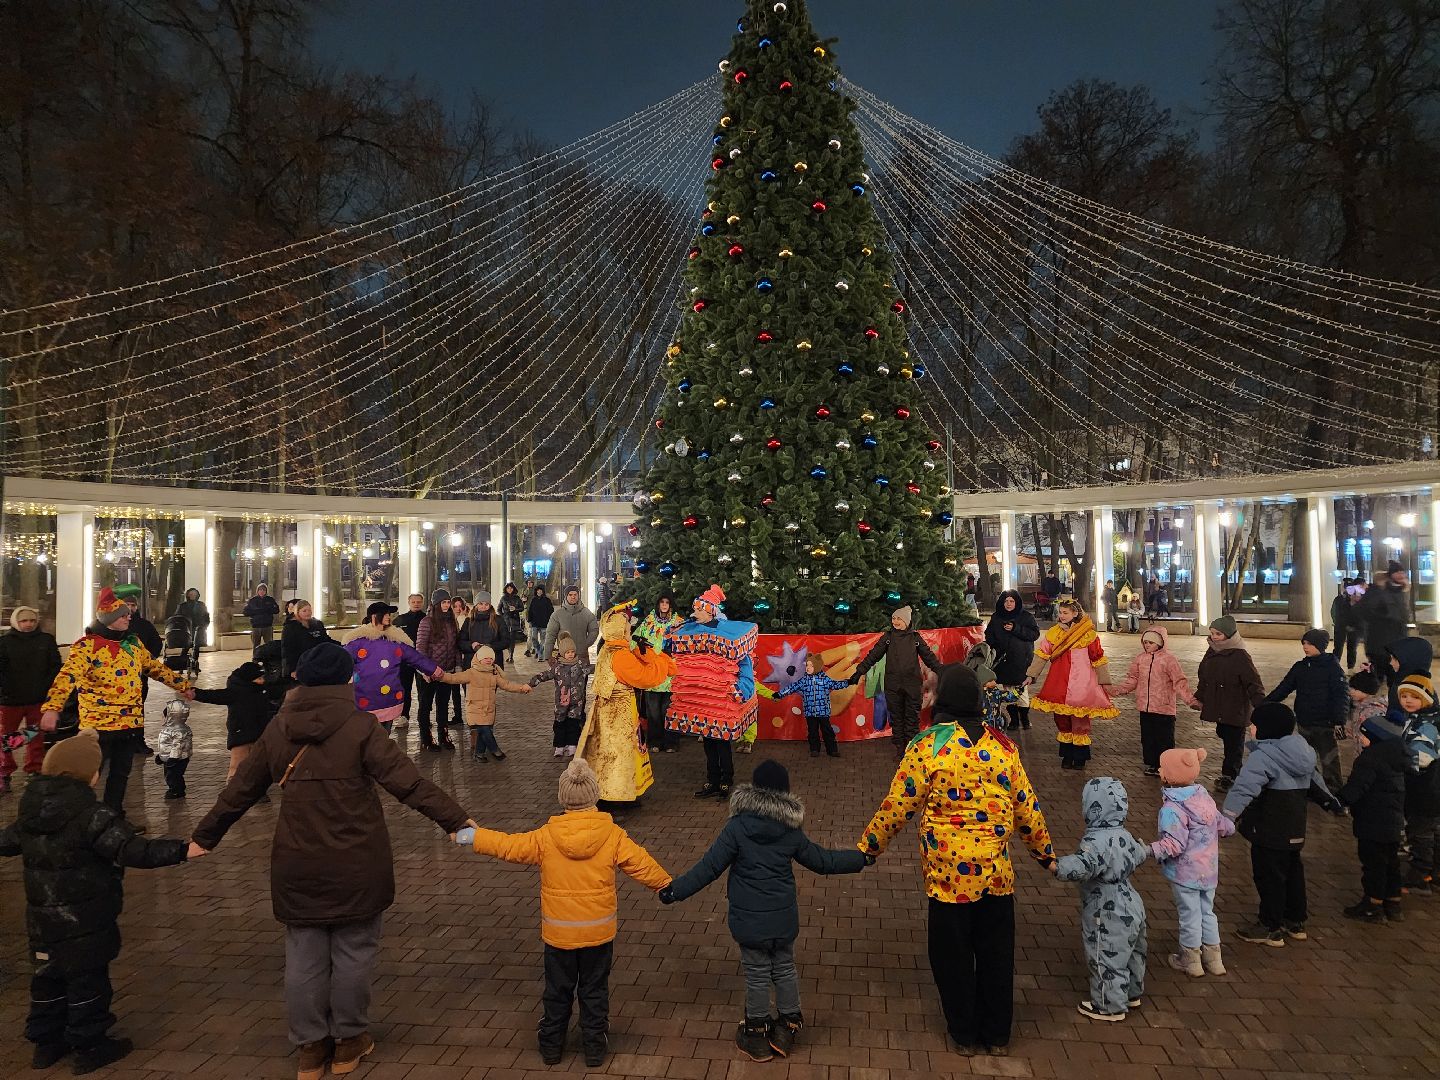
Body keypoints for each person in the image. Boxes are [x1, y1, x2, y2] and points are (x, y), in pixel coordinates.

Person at [191, 644, 474, 1080]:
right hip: (357, 860)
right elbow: (409, 784)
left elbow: (241, 789)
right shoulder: (360, 726)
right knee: (354, 953)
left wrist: (203, 837)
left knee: (303, 957)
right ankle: (348, 1042)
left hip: (297, 862)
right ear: (347, 680)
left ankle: (309, 1050)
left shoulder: (277, 727)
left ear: (300, 679)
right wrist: (456, 821)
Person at [858, 664, 1054, 1056]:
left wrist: (870, 846)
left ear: (942, 698)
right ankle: (998, 1033)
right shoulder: (1004, 747)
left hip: (948, 880)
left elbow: (900, 804)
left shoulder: (928, 745)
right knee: (997, 955)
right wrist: (1044, 854)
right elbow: (1027, 807)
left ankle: (964, 1032)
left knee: (952, 956)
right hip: (997, 877)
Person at [454, 757, 670, 1069]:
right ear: (595, 796)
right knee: (594, 991)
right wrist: (667, 886)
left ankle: (551, 1045)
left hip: (559, 935)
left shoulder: (545, 837)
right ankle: (595, 1047)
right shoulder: (613, 835)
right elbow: (642, 864)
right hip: (598, 934)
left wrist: (470, 836)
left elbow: (508, 846)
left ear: (563, 798)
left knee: (558, 990)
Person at [0, 729, 195, 1073]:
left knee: (46, 977)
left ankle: (46, 1043)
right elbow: (133, 850)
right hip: (85, 921)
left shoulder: (30, 812)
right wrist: (181, 850)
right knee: (87, 981)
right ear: (89, 774)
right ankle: (90, 1044)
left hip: (42, 923)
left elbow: (6, 841)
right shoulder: (92, 814)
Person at [661, 760, 868, 1061]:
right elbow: (824, 861)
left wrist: (674, 891)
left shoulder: (737, 828)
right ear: (784, 794)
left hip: (749, 919)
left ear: (754, 791)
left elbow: (708, 868)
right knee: (784, 967)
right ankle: (788, 1026)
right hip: (783, 916)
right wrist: (861, 859)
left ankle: (756, 1034)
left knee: (757, 973)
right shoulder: (790, 831)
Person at [40, 588, 192, 813]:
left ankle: (113, 817)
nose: (128, 617)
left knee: (121, 774)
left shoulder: (133, 644)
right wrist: (53, 707)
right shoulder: (87, 646)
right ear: (109, 619)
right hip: (98, 726)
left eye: (127, 614)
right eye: (122, 615)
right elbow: (67, 676)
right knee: (88, 775)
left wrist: (183, 686)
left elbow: (155, 668)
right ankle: (77, 819)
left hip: (129, 723)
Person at [1222, 702, 1343, 947]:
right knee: (1293, 873)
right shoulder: (1303, 752)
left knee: (1269, 877)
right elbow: (1315, 781)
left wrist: (1226, 816)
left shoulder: (1263, 756)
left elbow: (1244, 789)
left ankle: (1270, 926)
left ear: (1266, 729)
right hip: (1294, 829)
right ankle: (1295, 921)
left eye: (1253, 725)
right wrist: (1331, 803)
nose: (1250, 729)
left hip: (1267, 829)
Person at [1053, 777, 1149, 1023]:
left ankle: (1109, 1004)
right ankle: (1131, 992)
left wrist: (1058, 866)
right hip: (1132, 900)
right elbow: (1139, 853)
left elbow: (1085, 865)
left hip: (1106, 907)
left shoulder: (1095, 841)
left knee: (1105, 953)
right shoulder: (1124, 835)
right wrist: (1150, 849)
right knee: (1133, 951)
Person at [665, 585, 758, 800]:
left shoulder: (728, 635)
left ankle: (726, 780)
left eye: (698, 610)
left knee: (722, 743)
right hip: (703, 702)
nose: (693, 614)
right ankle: (712, 779)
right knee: (708, 741)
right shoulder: (689, 631)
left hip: (722, 702)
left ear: (710, 612)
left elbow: (745, 665)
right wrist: (671, 633)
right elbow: (668, 648)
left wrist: (741, 690)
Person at [577, 601, 676, 801]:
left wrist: (644, 653)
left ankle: (605, 791)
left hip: (606, 710)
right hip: (618, 714)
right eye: (627, 628)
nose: (629, 631)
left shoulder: (608, 649)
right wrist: (663, 662)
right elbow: (644, 677)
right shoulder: (621, 655)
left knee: (603, 752)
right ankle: (616, 795)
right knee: (619, 755)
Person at [1149, 748, 1234, 978]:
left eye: (1162, 768)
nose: (1159, 771)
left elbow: (1173, 844)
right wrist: (1230, 827)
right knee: (1207, 912)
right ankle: (1214, 960)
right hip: (1209, 871)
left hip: (1185, 873)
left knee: (1189, 915)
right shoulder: (1204, 798)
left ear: (1168, 776)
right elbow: (1221, 824)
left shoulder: (1172, 808)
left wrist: (1150, 850)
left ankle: (1190, 960)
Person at [1027, 599, 1117, 770]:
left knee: (1080, 719)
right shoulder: (1054, 633)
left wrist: (1105, 682)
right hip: (1059, 681)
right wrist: (1031, 675)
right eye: (1060, 612)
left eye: (1065, 613)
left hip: (1082, 683)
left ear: (1075, 613)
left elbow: (1098, 657)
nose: (1061, 616)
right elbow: (1042, 654)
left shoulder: (1088, 634)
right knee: (1061, 718)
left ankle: (1080, 757)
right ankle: (1067, 755)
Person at [1336, 712, 1408, 923]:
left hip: (1372, 821)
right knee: (1391, 862)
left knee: (1373, 864)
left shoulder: (1369, 759)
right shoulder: (1398, 757)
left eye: (1363, 735)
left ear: (1375, 738)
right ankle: (1393, 904)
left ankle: (1372, 905)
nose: (1360, 738)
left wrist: (1339, 801)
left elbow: (1357, 787)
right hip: (1393, 821)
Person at [1263, 628, 1349, 792]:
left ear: (1320, 646)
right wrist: (1266, 703)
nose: (1305, 647)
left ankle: (1334, 790)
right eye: (1304, 643)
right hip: (1304, 721)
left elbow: (1341, 695)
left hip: (1325, 723)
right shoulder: (1300, 667)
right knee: (1304, 758)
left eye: (1309, 644)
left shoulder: (1332, 668)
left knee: (1329, 759)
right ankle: (1312, 787)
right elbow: (1285, 687)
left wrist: (1339, 720)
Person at [850, 604, 943, 751]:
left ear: (906, 621)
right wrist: (859, 671)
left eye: (899, 618)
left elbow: (929, 657)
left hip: (912, 685)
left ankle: (911, 750)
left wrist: (942, 671)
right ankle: (900, 748)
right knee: (897, 718)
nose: (895, 621)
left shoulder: (915, 638)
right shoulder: (888, 638)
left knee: (912, 719)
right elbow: (873, 656)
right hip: (893, 685)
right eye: (893, 618)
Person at [1111, 626, 1200, 776]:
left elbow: (1179, 681)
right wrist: (1118, 690)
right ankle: (1152, 764)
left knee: (1164, 739)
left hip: (1164, 708)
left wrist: (1190, 700)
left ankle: (1166, 765)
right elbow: (1133, 679)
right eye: (1145, 642)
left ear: (1160, 643)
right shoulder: (1140, 659)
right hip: (1145, 708)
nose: (1147, 645)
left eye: (1150, 642)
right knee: (1148, 738)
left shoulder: (1169, 660)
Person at [343, 602, 445, 730]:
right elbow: (341, 660)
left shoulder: (395, 641)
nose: (388, 617)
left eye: (389, 614)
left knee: (384, 736)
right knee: (366, 735)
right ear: (374, 616)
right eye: (385, 614)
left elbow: (415, 657)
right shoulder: (357, 642)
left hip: (388, 697)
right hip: (365, 697)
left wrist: (434, 670)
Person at [1195, 616, 1266, 790]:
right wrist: (1200, 696)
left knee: (1234, 742)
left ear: (1229, 634)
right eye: (1212, 633)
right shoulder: (1212, 651)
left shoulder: (1240, 655)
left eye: (1218, 634)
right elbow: (1203, 676)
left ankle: (1231, 775)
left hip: (1236, 707)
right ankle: (1232, 772)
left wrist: (1262, 706)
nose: (1214, 637)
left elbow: (1253, 682)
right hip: (1220, 704)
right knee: (1224, 734)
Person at [0, 605, 61, 793]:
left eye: (32, 620)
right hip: (10, 700)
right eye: (24, 620)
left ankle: (34, 769)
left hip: (38, 698)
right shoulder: (4, 643)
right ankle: (5, 771)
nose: (28, 624)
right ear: (16, 622)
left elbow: (55, 666)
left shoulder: (46, 640)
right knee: (5, 738)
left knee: (36, 736)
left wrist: (46, 689)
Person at [193, 660, 284, 781]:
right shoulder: (235, 692)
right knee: (237, 766)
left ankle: (257, 791)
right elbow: (213, 696)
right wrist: (195, 693)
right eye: (259, 678)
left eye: (262, 677)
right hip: (240, 735)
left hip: (260, 733)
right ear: (249, 679)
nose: (262, 681)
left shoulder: (262, 690)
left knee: (260, 765)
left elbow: (279, 691)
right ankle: (232, 791)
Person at [440, 645, 531, 761]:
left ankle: (479, 754)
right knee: (484, 729)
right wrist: (440, 676)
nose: (488, 660)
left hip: (488, 708)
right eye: (485, 658)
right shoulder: (471, 673)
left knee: (484, 730)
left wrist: (521, 688)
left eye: (491, 658)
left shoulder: (494, 674)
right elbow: (454, 678)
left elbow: (506, 685)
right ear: (478, 658)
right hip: (475, 708)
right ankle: (495, 749)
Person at [1393, 675, 1440, 896]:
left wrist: (1397, 761)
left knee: (1420, 831)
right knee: (1432, 830)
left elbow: (1422, 758)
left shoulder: (1426, 725)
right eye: (1404, 696)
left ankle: (1420, 875)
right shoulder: (1419, 719)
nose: (1408, 700)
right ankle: (1434, 873)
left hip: (1424, 789)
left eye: (1414, 696)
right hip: (1429, 788)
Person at [773, 655, 849, 758]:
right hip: (810, 712)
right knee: (812, 731)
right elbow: (792, 687)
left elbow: (836, 684)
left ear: (817, 667)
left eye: (811, 665)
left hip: (823, 712)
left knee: (827, 731)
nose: (808, 667)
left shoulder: (824, 679)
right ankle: (814, 749)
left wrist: (848, 682)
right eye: (807, 665)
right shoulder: (804, 680)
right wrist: (779, 694)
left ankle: (832, 750)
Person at [635, 593, 684, 753]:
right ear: (657, 604)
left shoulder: (678, 623)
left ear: (671, 604)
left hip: (670, 673)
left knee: (669, 710)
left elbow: (685, 645)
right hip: (653, 672)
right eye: (661, 602)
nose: (664, 605)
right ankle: (654, 741)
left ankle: (671, 742)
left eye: (667, 602)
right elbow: (635, 639)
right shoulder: (648, 622)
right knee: (653, 711)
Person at [985, 590, 1040, 731]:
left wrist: (1015, 628)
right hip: (1003, 661)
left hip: (1021, 660)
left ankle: (1025, 719)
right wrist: (993, 644)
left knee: (1021, 690)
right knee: (1007, 690)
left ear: (1016, 603)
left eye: (1011, 601)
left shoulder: (1026, 617)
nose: (1009, 604)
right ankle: (1014, 720)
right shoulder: (997, 617)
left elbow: (1034, 634)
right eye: (1006, 601)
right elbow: (989, 634)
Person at [414, 590, 462, 752]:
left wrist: (457, 666)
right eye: (443, 602)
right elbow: (420, 648)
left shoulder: (451, 622)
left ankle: (444, 735)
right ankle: (426, 738)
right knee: (425, 705)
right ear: (435, 604)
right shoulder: (426, 621)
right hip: (429, 672)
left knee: (443, 705)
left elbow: (455, 646)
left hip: (446, 672)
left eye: (448, 602)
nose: (447, 605)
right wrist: (425, 670)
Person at [531, 632, 591, 759]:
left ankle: (572, 744)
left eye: (572, 652)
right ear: (562, 653)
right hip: (561, 703)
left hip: (576, 702)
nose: (570, 654)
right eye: (567, 652)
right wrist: (533, 682)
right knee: (559, 723)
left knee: (573, 723)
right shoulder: (557, 667)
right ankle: (559, 745)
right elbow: (545, 675)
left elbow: (592, 668)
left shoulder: (580, 665)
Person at [1361, 561, 1411, 690]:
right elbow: (1367, 612)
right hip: (1379, 645)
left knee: (1395, 681)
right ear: (1391, 575)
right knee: (1379, 680)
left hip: (1397, 646)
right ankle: (1377, 708)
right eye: (1398, 572)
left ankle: (1391, 705)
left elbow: (1403, 619)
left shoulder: (1400, 591)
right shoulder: (1378, 590)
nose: (1402, 575)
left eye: (1402, 572)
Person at [392, 593, 427, 728]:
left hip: (422, 660)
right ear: (409, 602)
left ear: (422, 603)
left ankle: (423, 717)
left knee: (423, 690)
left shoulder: (427, 619)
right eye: (413, 601)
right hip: (404, 662)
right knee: (404, 689)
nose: (416, 604)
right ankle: (404, 716)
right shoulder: (400, 620)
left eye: (419, 601)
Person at [544, 584, 599, 661]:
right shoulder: (558, 614)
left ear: (578, 596)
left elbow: (594, 630)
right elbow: (551, 635)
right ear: (566, 596)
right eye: (570, 595)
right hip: (564, 657)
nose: (573, 597)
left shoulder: (587, 613)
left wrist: (585, 644)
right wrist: (548, 655)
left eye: (575, 594)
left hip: (582, 655)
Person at [281, 600, 332, 681]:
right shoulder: (290, 627)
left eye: (309, 610)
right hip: (301, 664)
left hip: (318, 662)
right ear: (297, 612)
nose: (308, 613)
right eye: (304, 611)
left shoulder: (317, 624)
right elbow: (287, 650)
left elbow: (326, 641)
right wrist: (292, 669)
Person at [153, 699, 193, 800]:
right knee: (169, 774)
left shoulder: (180, 731)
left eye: (165, 716)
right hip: (170, 757)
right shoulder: (169, 729)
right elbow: (166, 744)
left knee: (174, 775)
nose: (163, 718)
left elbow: (178, 745)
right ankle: (177, 788)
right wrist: (161, 756)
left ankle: (176, 790)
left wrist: (173, 758)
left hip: (178, 758)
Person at [460, 592, 511, 670]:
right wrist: (471, 645)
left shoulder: (498, 620)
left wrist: (491, 646)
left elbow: (506, 641)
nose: (483, 606)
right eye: (481, 603)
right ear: (476, 605)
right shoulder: (468, 621)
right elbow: (461, 642)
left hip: (493, 663)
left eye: (486, 604)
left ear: (490, 605)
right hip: (472, 664)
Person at [1345, 670, 1387, 754]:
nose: (1351, 692)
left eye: (1356, 689)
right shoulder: (1361, 706)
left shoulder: (1375, 711)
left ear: (1367, 690)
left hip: (1370, 754)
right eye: (1351, 688)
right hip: (1361, 750)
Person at [1386, 635, 1433, 711]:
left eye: (1395, 659)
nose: (1391, 663)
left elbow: (1396, 719)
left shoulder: (1403, 689)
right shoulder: (1425, 685)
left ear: (1410, 661)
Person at [174, 587, 210, 674]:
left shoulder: (201, 605)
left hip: (199, 629)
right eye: (191, 594)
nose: (193, 595)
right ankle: (181, 666)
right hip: (187, 630)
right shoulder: (183, 606)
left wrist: (205, 625)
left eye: (195, 594)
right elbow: (177, 617)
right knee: (185, 648)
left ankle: (194, 665)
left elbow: (206, 616)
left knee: (196, 648)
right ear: (188, 595)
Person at [1331, 579, 1364, 670]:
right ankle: (1335, 667)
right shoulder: (1339, 599)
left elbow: (1359, 615)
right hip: (1340, 627)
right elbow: (1335, 613)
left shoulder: (1357, 600)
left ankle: (1350, 668)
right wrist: (1339, 623)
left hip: (1353, 629)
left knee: (1352, 649)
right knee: (1338, 648)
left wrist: (1355, 626)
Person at [244, 584, 281, 653]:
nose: (262, 591)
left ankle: (269, 660)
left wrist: (267, 610)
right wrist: (256, 612)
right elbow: (246, 612)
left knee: (269, 645)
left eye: (263, 590)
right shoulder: (252, 600)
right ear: (257, 591)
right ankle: (255, 660)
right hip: (256, 627)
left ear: (266, 591)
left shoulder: (270, 600)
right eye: (260, 590)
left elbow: (276, 610)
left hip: (267, 626)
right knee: (256, 645)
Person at [498, 583, 526, 664]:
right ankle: (508, 654)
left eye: (511, 588)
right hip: (506, 620)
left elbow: (522, 608)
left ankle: (511, 656)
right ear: (506, 589)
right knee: (506, 638)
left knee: (512, 639)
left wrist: (515, 609)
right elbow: (499, 609)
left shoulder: (517, 598)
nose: (510, 589)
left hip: (514, 620)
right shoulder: (503, 598)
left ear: (513, 589)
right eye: (508, 588)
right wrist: (503, 616)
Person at [526, 584, 555, 659]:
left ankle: (540, 653)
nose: (539, 591)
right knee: (534, 638)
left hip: (544, 623)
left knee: (543, 640)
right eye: (538, 590)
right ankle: (538, 650)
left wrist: (549, 620)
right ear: (536, 591)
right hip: (534, 623)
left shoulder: (547, 600)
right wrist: (529, 620)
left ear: (543, 591)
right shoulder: (533, 600)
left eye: (540, 590)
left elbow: (551, 611)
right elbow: (530, 611)